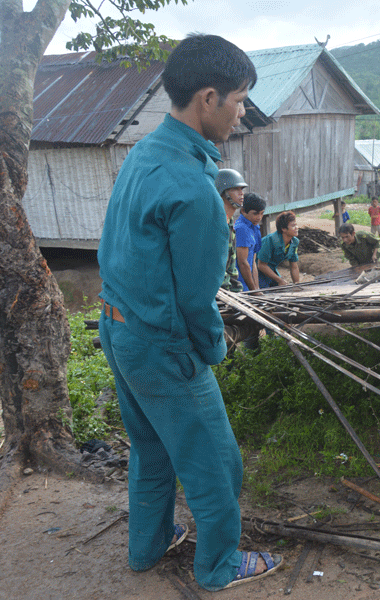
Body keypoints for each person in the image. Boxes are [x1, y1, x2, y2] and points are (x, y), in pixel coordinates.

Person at [96, 34, 281, 591]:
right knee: (217, 463)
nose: (242, 112)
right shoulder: (197, 192)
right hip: (160, 345)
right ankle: (220, 565)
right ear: (208, 98)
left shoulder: (144, 154)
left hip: (116, 325)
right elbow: (197, 302)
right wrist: (213, 351)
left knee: (150, 448)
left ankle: (147, 546)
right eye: (240, 100)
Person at [215, 168, 248, 292]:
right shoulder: (216, 224)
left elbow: (231, 268)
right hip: (216, 292)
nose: (241, 193)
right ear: (223, 192)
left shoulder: (229, 221)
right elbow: (216, 267)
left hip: (227, 292)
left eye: (242, 189)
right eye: (235, 189)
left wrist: (237, 292)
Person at [258, 211, 301, 288]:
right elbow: (261, 265)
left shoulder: (294, 242)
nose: (297, 228)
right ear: (283, 229)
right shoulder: (270, 240)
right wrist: (279, 280)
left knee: (282, 287)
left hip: (271, 269)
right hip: (257, 270)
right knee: (264, 292)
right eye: (293, 226)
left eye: (296, 225)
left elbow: (294, 265)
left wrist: (297, 285)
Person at [234, 192, 265, 291]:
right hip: (239, 285)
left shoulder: (255, 227)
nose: (259, 217)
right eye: (255, 213)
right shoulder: (241, 229)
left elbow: (253, 262)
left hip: (249, 284)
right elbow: (242, 263)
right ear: (243, 211)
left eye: (262, 213)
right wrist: (253, 290)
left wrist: (256, 288)